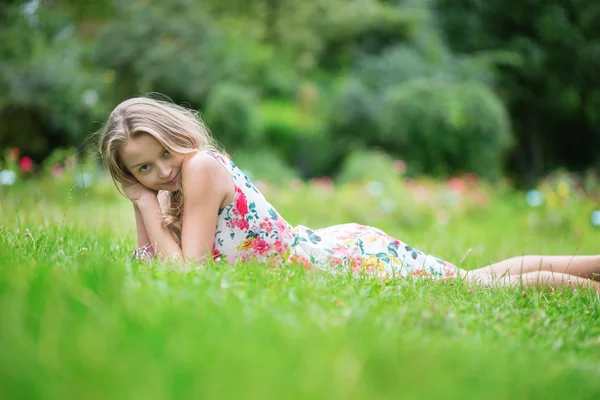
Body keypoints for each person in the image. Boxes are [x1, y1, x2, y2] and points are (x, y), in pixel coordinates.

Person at [97, 96, 600, 294]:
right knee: (475, 277)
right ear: (128, 172)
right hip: (328, 246)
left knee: (473, 285)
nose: (161, 170)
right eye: (143, 168)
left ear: (177, 132)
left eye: (164, 152)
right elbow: (150, 263)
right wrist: (144, 206)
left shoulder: (200, 169)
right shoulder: (173, 186)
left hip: (339, 261)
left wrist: (145, 203)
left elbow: (188, 276)